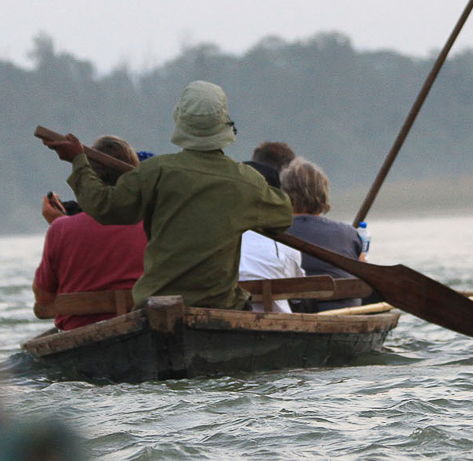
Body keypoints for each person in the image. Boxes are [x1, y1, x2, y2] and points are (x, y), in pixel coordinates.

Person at [41, 80, 293, 310]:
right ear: (224, 126)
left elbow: (104, 207)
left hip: (156, 304)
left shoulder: (155, 171)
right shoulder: (246, 181)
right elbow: (282, 218)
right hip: (220, 305)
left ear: (181, 122)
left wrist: (79, 162)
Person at [33, 135, 146, 330]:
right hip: (144, 325)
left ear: (90, 180)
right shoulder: (156, 220)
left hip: (81, 332)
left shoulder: (60, 228)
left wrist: (62, 227)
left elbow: (43, 301)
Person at [280, 157, 364, 312]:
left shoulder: (273, 234)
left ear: (287, 198)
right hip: (345, 312)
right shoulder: (350, 234)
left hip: (296, 313)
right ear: (324, 195)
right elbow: (365, 273)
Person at [239, 161, 304, 312]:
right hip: (279, 322)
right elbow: (297, 295)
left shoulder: (218, 241)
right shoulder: (286, 247)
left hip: (227, 319)